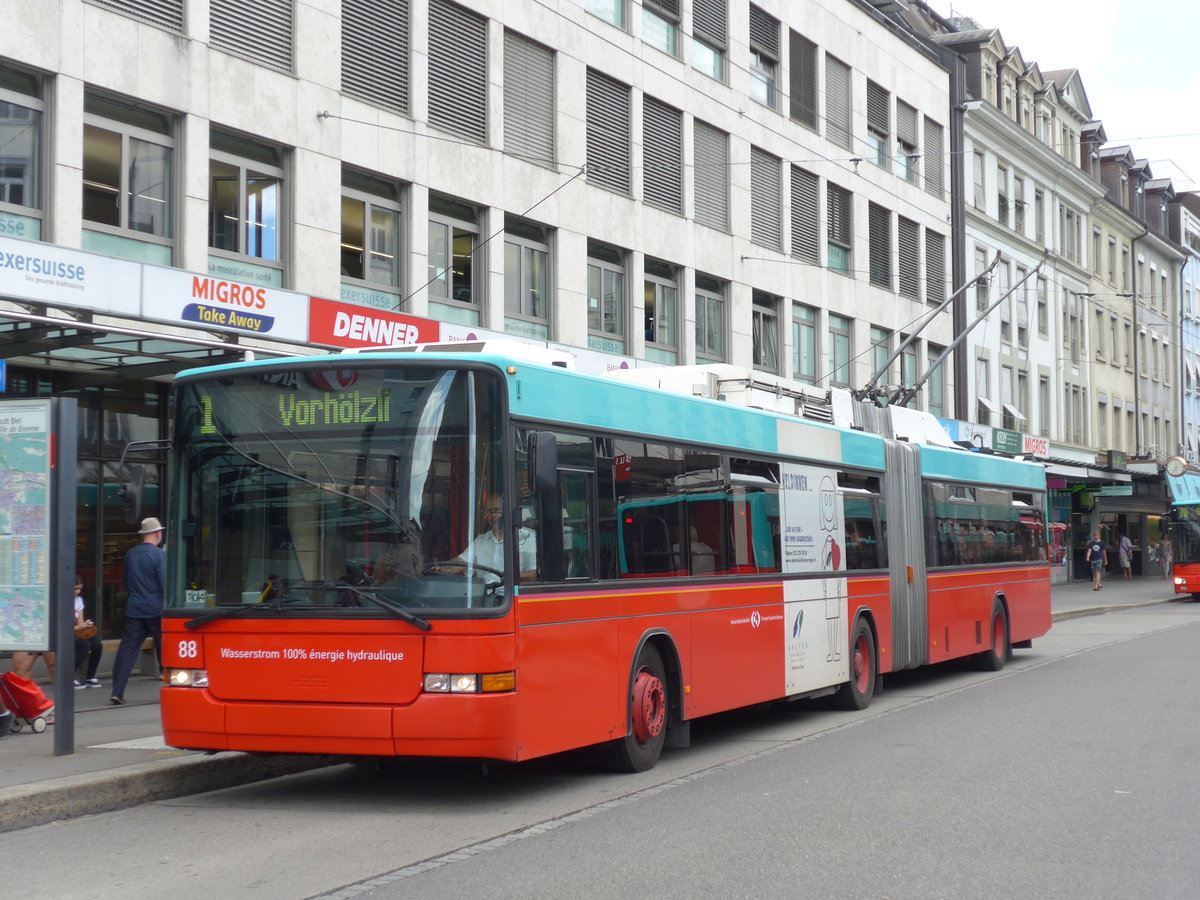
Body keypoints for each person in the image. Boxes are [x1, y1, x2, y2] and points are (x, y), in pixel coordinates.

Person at [110, 517, 166, 705]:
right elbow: (164, 583)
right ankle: (170, 686)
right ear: (157, 534)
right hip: (156, 608)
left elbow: (126, 582)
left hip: (135, 608)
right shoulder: (159, 555)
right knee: (164, 648)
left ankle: (117, 691)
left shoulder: (130, 554)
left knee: (127, 650)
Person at [438, 496, 536, 584]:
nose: (493, 515)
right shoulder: (481, 541)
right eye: (489, 511)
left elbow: (535, 573)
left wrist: (513, 576)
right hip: (485, 596)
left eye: (496, 510)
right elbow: (460, 562)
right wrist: (442, 568)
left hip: (511, 595)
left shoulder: (527, 537)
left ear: (506, 511)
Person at [73, 581, 103, 688]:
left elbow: (80, 621)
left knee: (97, 645)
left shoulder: (78, 600)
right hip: (65, 634)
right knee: (85, 645)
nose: (78, 591)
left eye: (80, 589)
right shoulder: (60, 600)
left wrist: (85, 624)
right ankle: (68, 676)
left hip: (76, 632)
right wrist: (78, 627)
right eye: (75, 588)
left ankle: (90, 677)